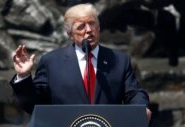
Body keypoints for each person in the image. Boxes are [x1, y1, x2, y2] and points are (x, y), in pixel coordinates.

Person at [10, 3, 152, 120]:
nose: (89, 30)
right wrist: (23, 77)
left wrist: (141, 108)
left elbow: (134, 93)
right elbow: (34, 105)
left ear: (99, 27)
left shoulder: (119, 60)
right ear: (70, 34)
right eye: (81, 27)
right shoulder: (51, 62)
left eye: (92, 23)